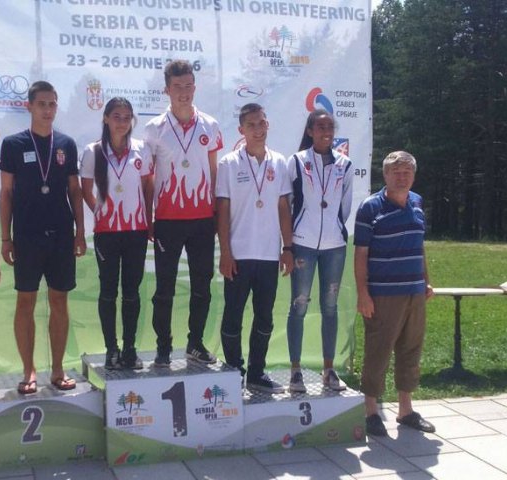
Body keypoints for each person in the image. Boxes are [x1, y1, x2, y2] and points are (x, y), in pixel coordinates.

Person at [0, 80, 86, 394]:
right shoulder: (13, 144)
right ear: (29, 107)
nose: (47, 110)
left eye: (52, 104)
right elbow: (6, 193)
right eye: (42, 104)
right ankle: (29, 370)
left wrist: (80, 232)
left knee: (59, 300)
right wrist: (5, 238)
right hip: (27, 235)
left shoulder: (66, 144)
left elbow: (75, 190)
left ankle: (58, 369)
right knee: (26, 301)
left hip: (61, 235)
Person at [144, 59, 223, 367]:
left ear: (195, 87)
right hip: (167, 220)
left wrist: (217, 213)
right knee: (164, 289)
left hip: (203, 220)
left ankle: (195, 343)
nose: (184, 92)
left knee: (202, 286)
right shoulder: (154, 129)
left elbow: (214, 172)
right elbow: (149, 177)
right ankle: (163, 347)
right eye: (177, 86)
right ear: (167, 90)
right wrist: (149, 216)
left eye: (188, 85)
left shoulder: (210, 125)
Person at [354, 150, 435, 437]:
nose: (402, 177)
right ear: (385, 175)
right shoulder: (370, 207)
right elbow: (361, 254)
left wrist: (426, 281)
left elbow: (418, 245)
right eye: (396, 172)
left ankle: (405, 410)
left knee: (411, 350)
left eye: (407, 172)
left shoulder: (417, 202)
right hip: (383, 295)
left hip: (415, 291)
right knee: (378, 352)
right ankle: (371, 412)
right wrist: (363, 294)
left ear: (414, 175)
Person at [216, 103, 293, 392]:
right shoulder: (228, 164)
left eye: (261, 123)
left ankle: (257, 374)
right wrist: (225, 252)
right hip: (239, 254)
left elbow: (283, 207)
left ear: (267, 124)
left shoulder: (280, 162)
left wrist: (288, 247)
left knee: (265, 317)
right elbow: (222, 210)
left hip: (269, 254)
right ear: (241, 130)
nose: (258, 129)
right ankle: (234, 371)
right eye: (251, 125)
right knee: (233, 315)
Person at [80, 97, 154, 370]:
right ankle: (112, 349)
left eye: (127, 117)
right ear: (106, 119)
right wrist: (100, 212)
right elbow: (85, 190)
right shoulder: (93, 151)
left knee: (132, 292)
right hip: (106, 233)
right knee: (108, 291)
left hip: (136, 231)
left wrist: (148, 218)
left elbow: (148, 187)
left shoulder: (142, 149)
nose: (122, 123)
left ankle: (130, 348)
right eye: (116, 117)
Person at [286, 109, 353, 393]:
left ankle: (329, 369)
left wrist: (335, 228)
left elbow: (345, 205)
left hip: (334, 246)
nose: (326, 132)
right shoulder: (297, 161)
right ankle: (296, 371)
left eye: (330, 127)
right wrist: (292, 238)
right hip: (303, 242)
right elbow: (289, 202)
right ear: (310, 131)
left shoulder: (345, 164)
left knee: (330, 307)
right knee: (299, 305)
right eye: (320, 127)